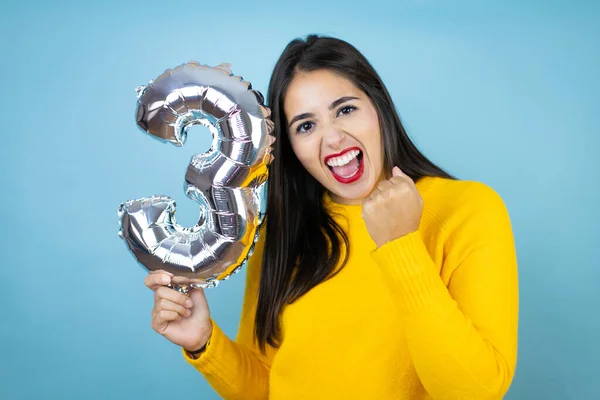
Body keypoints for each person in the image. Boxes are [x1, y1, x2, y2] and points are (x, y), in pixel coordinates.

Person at [144, 35, 519, 400]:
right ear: (292, 148)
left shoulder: (466, 209)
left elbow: (476, 390)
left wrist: (401, 246)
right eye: (306, 126)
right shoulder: (282, 230)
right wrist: (204, 342)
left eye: (345, 110)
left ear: (378, 108)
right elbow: (266, 386)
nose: (333, 139)